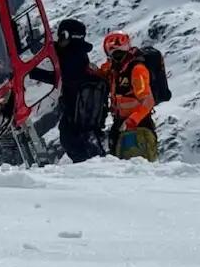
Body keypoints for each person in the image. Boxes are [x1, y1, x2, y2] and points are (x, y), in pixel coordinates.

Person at [29, 18, 109, 163]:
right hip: (80, 113)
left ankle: (90, 171)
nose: (58, 39)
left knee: (72, 142)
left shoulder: (71, 57)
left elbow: (60, 76)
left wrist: (32, 72)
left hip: (75, 115)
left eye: (60, 36)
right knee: (76, 142)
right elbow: (55, 50)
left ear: (66, 35)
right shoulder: (76, 53)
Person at [99, 30, 158, 161]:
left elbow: (148, 101)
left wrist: (132, 120)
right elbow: (103, 73)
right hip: (121, 123)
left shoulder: (137, 70)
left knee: (137, 166)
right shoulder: (116, 70)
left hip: (138, 126)